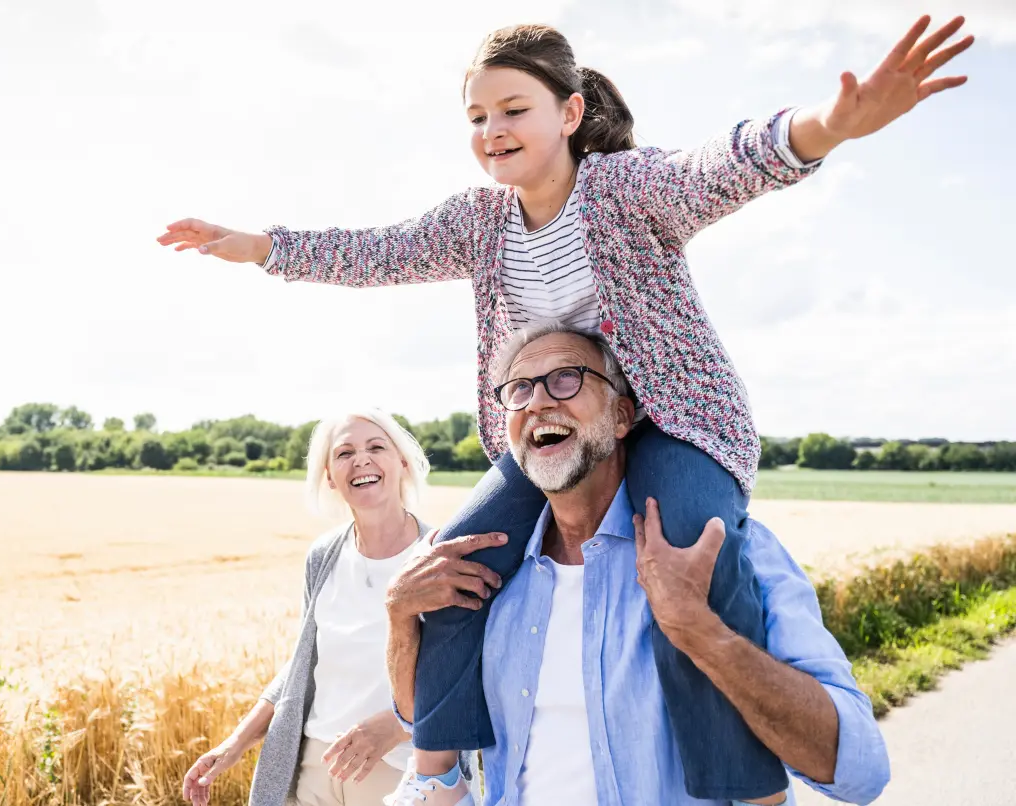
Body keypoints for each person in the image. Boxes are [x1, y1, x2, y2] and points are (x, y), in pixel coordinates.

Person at [158, 16, 969, 802]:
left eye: (514, 110)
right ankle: (438, 773)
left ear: (570, 112)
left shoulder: (623, 189)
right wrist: (259, 246)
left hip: (676, 425)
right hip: (555, 427)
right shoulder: (479, 223)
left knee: (689, 561)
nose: (492, 130)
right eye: (477, 116)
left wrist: (828, 123)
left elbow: (720, 167)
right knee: (448, 566)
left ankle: (743, 790)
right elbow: (379, 250)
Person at [384, 322, 891, 806]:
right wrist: (400, 619)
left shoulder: (721, 550)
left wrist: (700, 631)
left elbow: (859, 771)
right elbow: (418, 720)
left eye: (566, 379)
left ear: (623, 416)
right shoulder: (484, 574)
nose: (538, 401)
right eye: (519, 389)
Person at [182, 410, 434, 806]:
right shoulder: (324, 556)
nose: (361, 460)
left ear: (403, 462)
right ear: (331, 477)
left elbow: (468, 675)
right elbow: (302, 663)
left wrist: (397, 725)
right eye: (344, 452)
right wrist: (235, 744)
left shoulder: (438, 557)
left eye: (376, 447)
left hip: (402, 770)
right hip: (315, 768)